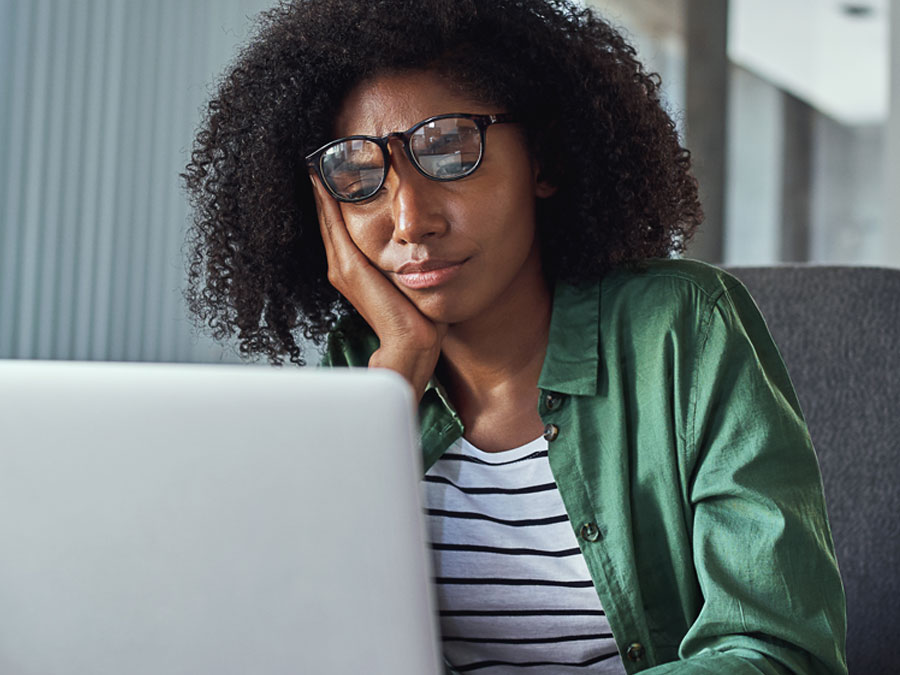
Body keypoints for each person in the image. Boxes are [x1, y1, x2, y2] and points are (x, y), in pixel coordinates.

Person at [182, 1, 848, 672]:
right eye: (357, 174)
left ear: (544, 160)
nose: (410, 220)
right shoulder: (364, 369)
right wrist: (395, 381)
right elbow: (299, 635)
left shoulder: (683, 330)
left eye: (448, 150)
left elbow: (778, 651)